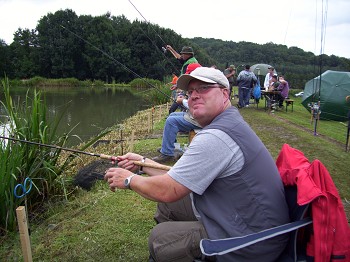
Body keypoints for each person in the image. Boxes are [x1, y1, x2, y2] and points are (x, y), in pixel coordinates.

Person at [104, 67, 290, 262]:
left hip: (253, 241)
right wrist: (141, 163)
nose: (194, 96)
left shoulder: (215, 137)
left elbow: (168, 189)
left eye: (203, 88)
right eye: (190, 92)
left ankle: (172, 250)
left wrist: (128, 180)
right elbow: (178, 176)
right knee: (169, 206)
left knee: (160, 238)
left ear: (224, 93)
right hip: (241, 217)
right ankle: (175, 252)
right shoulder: (228, 122)